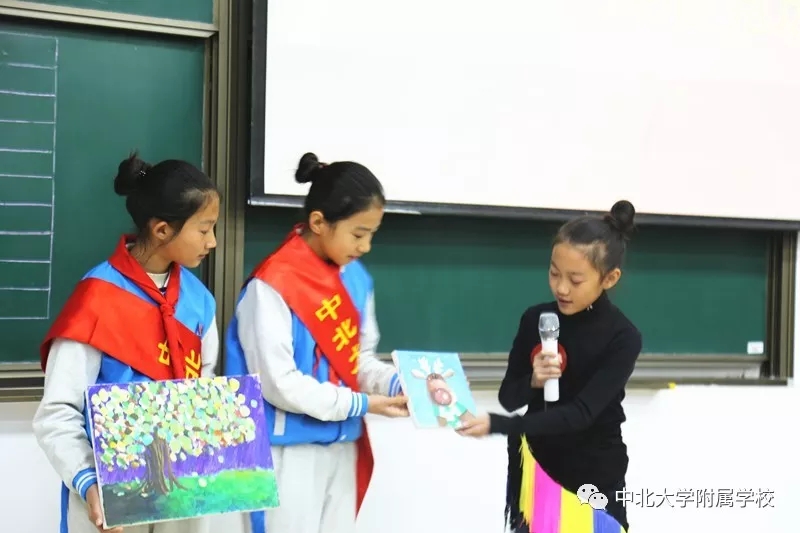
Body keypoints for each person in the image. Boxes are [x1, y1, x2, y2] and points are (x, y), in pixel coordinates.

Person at [33, 153, 221, 533]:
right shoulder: (96, 299)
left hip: (181, 495)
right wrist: (88, 482)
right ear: (162, 229)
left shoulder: (199, 301)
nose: (213, 241)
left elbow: (203, 388)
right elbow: (58, 413)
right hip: (110, 498)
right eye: (204, 230)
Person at [224, 152, 409, 533]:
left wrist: (397, 384)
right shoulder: (272, 284)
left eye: (372, 235)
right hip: (283, 453)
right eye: (358, 234)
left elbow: (357, 359)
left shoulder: (356, 279)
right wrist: (361, 403)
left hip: (342, 445)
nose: (366, 246)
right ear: (319, 222)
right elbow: (278, 384)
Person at [457, 200, 642, 532]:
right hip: (538, 466)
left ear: (609, 278)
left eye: (575, 279)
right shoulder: (536, 319)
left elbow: (582, 413)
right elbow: (509, 397)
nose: (561, 288)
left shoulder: (623, 337)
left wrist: (498, 425)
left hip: (593, 475)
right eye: (554, 273)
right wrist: (532, 380)